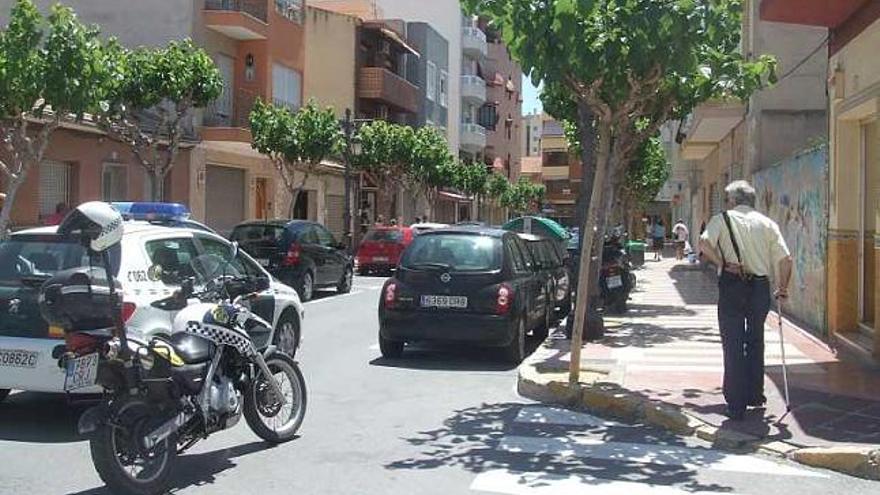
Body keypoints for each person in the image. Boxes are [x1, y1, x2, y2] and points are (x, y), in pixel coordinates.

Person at [699, 180, 793, 421]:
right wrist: (782, 288)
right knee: (755, 339)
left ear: (732, 200)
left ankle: (736, 402)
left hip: (733, 283)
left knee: (732, 342)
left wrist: (721, 263)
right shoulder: (767, 223)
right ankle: (754, 394)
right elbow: (786, 259)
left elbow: (703, 243)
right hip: (759, 287)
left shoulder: (722, 219)